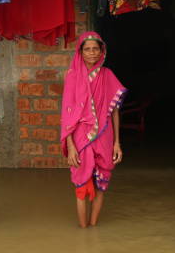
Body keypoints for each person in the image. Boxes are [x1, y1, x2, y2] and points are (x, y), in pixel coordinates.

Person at [60, 31, 127, 228]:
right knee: (81, 186)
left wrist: (117, 143)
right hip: (80, 137)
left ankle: (93, 228)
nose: (91, 53)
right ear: (80, 52)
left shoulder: (107, 75)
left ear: (101, 51)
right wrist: (71, 146)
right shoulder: (71, 76)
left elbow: (113, 111)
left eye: (95, 49)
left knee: (101, 185)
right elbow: (67, 113)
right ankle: (84, 231)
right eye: (87, 49)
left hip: (105, 136)